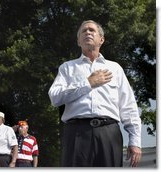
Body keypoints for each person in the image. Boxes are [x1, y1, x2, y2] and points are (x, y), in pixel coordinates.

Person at [48, 20, 142, 167]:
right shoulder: (67, 68)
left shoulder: (115, 68)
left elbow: (128, 106)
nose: (87, 32)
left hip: (109, 133)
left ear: (101, 39)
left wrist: (135, 141)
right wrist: (88, 83)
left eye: (92, 30)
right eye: (83, 31)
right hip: (76, 133)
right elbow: (55, 97)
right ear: (79, 41)